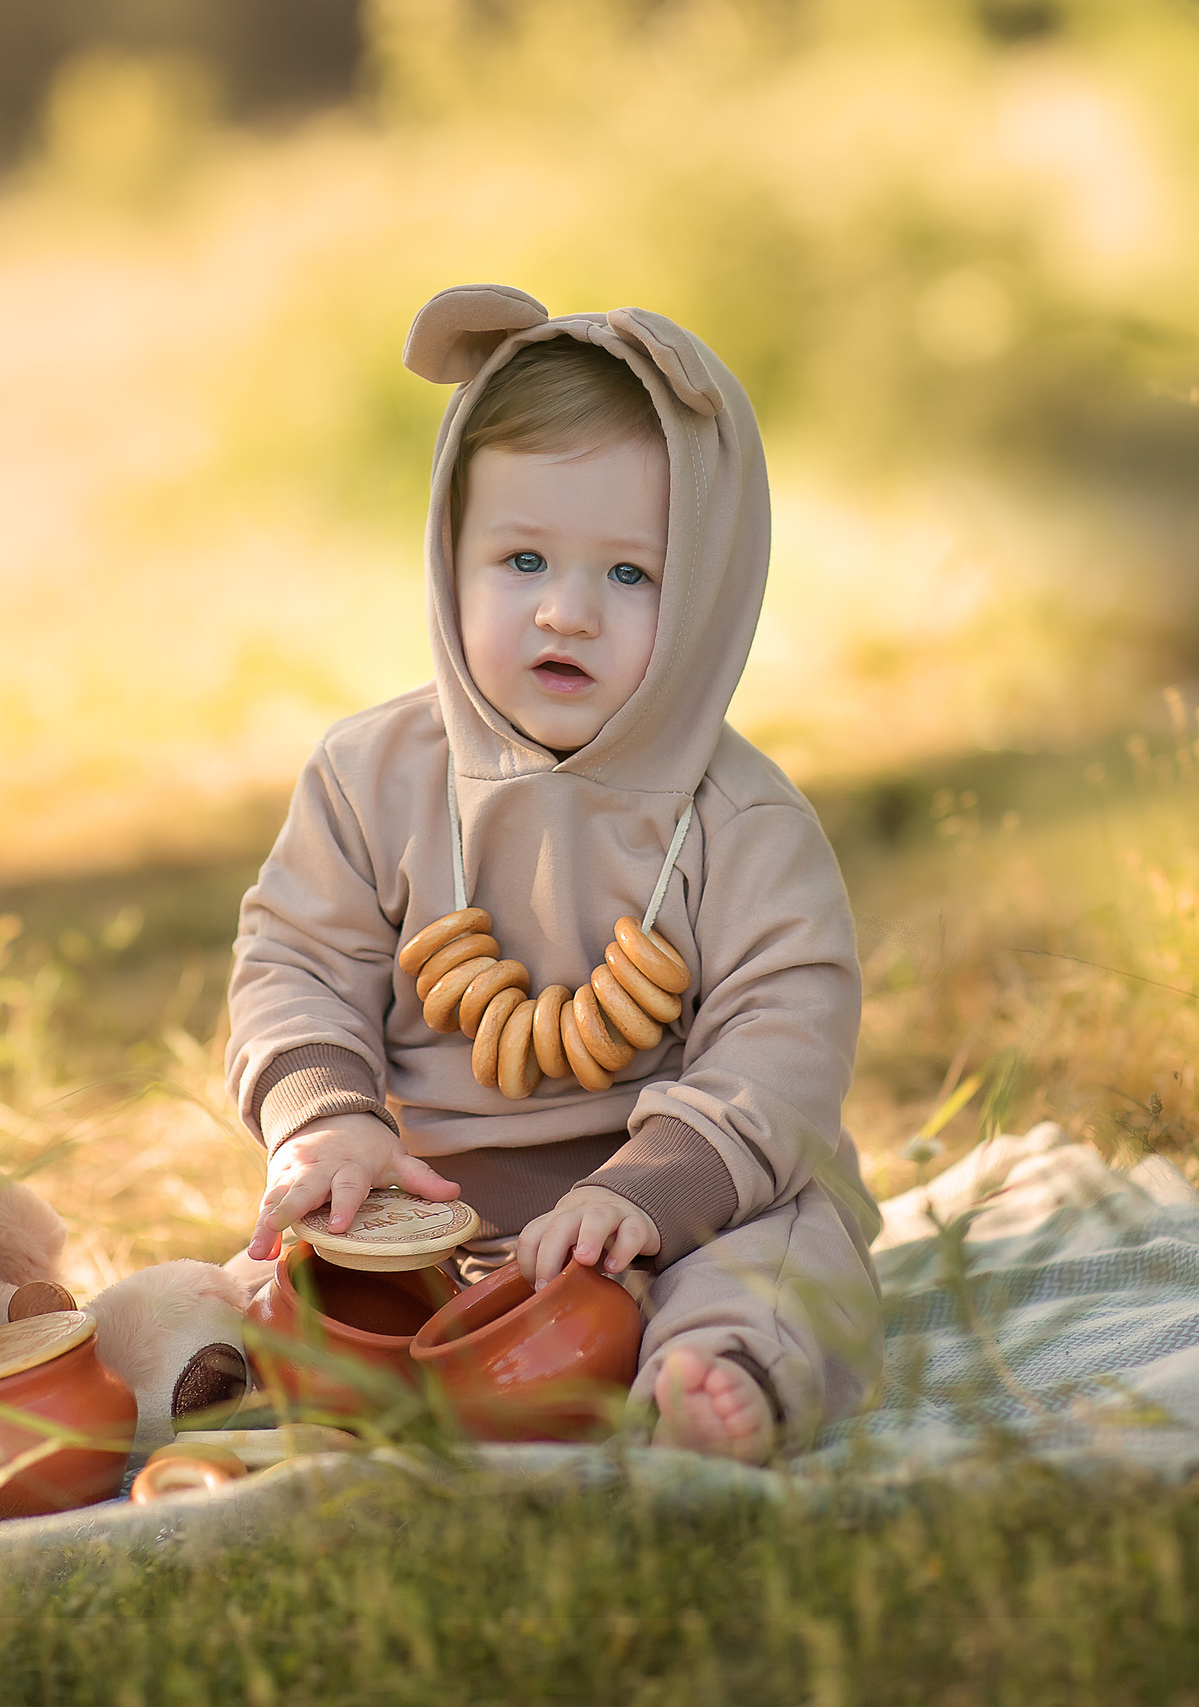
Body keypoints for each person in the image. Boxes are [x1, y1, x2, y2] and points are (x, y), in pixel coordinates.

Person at [226, 284, 879, 1462]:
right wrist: (327, 1125)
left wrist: (655, 1193)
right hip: (426, 1209)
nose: (568, 613)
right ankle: (243, 1359)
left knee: (789, 1258)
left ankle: (715, 1370)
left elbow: (784, 1037)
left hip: (682, 1209)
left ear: (713, 589)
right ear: (449, 556)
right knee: (285, 1273)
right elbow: (294, 960)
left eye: (630, 575)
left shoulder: (740, 821)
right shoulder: (370, 776)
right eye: (522, 559)